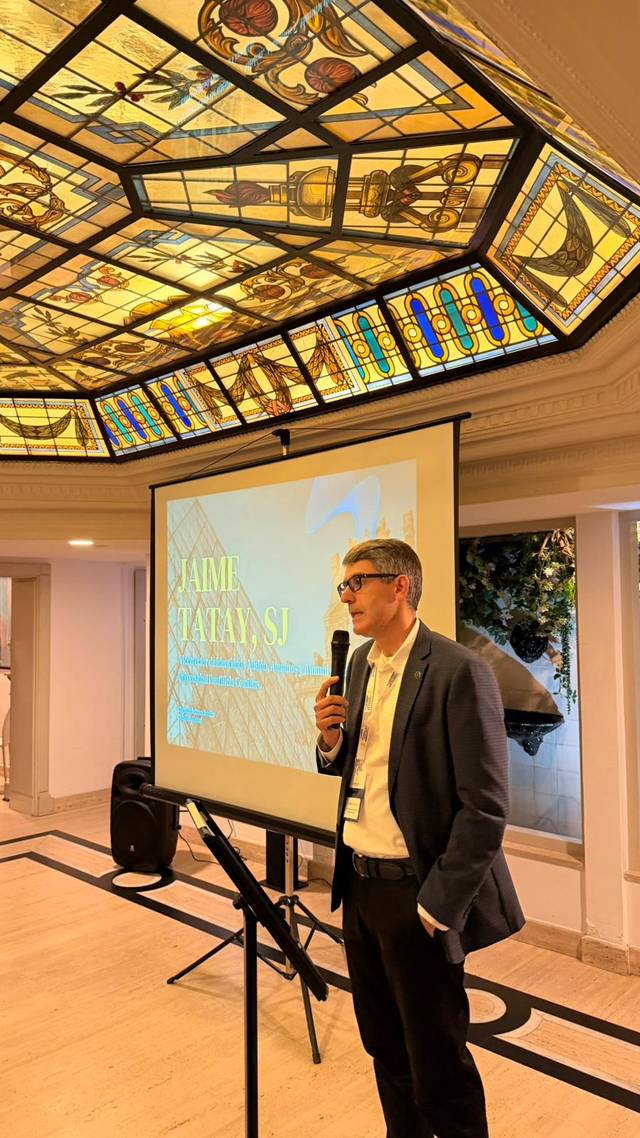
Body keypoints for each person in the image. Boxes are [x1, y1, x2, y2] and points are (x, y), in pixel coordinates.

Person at [314, 538, 524, 1138]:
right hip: (361, 886)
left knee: (437, 1062)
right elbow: (357, 768)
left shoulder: (459, 671)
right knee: (384, 1045)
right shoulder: (359, 666)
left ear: (400, 585)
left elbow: (484, 807)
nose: (347, 596)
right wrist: (330, 743)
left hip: (419, 895)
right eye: (344, 585)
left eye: (358, 582)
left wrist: (437, 906)